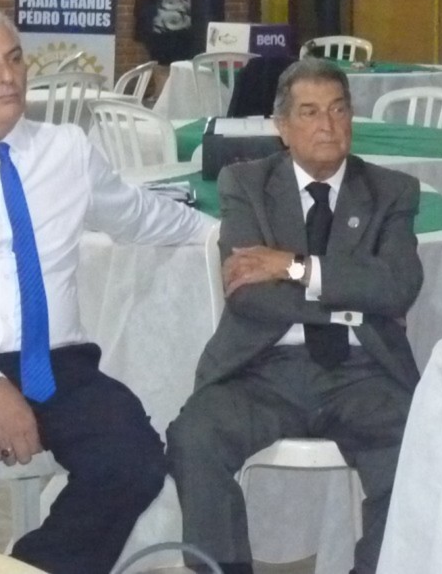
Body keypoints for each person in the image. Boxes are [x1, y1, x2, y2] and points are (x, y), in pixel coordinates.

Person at [0, 3, 213, 573]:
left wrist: (222, 234)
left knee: (133, 462)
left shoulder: (67, 150)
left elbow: (138, 215)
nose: (7, 76)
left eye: (14, 59)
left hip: (56, 364)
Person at [166, 59, 422, 574]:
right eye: (310, 112)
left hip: (364, 374)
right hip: (261, 370)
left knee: (416, 449)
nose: (328, 125)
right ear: (282, 127)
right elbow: (247, 296)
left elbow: (399, 287)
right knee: (194, 438)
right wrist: (352, 299)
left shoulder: (391, 191)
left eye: (338, 110)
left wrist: (294, 267)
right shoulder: (246, 184)